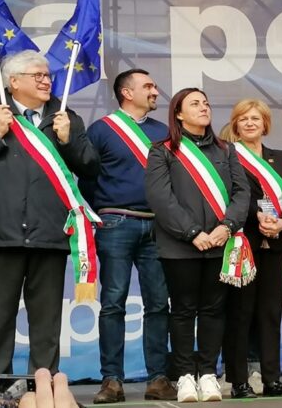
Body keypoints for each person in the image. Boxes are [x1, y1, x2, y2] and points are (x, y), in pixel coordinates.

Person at [0, 50, 99, 374]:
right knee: (0, 318)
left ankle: (44, 385)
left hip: (50, 234)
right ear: (14, 82)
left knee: (47, 322)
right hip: (0, 235)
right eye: (38, 75)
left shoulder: (65, 117)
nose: (47, 81)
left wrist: (68, 140)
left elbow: (91, 168)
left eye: (47, 75)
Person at [145, 88, 250, 402]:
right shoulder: (162, 150)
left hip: (220, 243)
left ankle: (207, 374)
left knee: (214, 311)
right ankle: (185, 376)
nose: (204, 107)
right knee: (183, 311)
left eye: (206, 102)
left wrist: (226, 226)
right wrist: (192, 232)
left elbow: (242, 194)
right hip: (180, 245)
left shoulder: (226, 150)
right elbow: (160, 199)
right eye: (195, 103)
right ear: (178, 113)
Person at [79, 69, 175, 403]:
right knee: (113, 302)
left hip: (158, 227)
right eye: (147, 85)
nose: (154, 90)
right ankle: (112, 381)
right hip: (116, 223)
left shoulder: (163, 131)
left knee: (158, 304)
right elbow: (88, 178)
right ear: (126, 92)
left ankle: (159, 378)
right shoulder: (102, 129)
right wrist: (104, 211)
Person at [221, 99, 282, 398]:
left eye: (256, 118)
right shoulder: (228, 156)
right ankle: (238, 380)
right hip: (244, 243)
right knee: (240, 313)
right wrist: (257, 215)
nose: (250, 123)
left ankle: (272, 379)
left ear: (265, 123)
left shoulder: (281, 158)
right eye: (243, 119)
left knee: (269, 313)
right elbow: (230, 195)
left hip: (276, 242)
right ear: (235, 124)